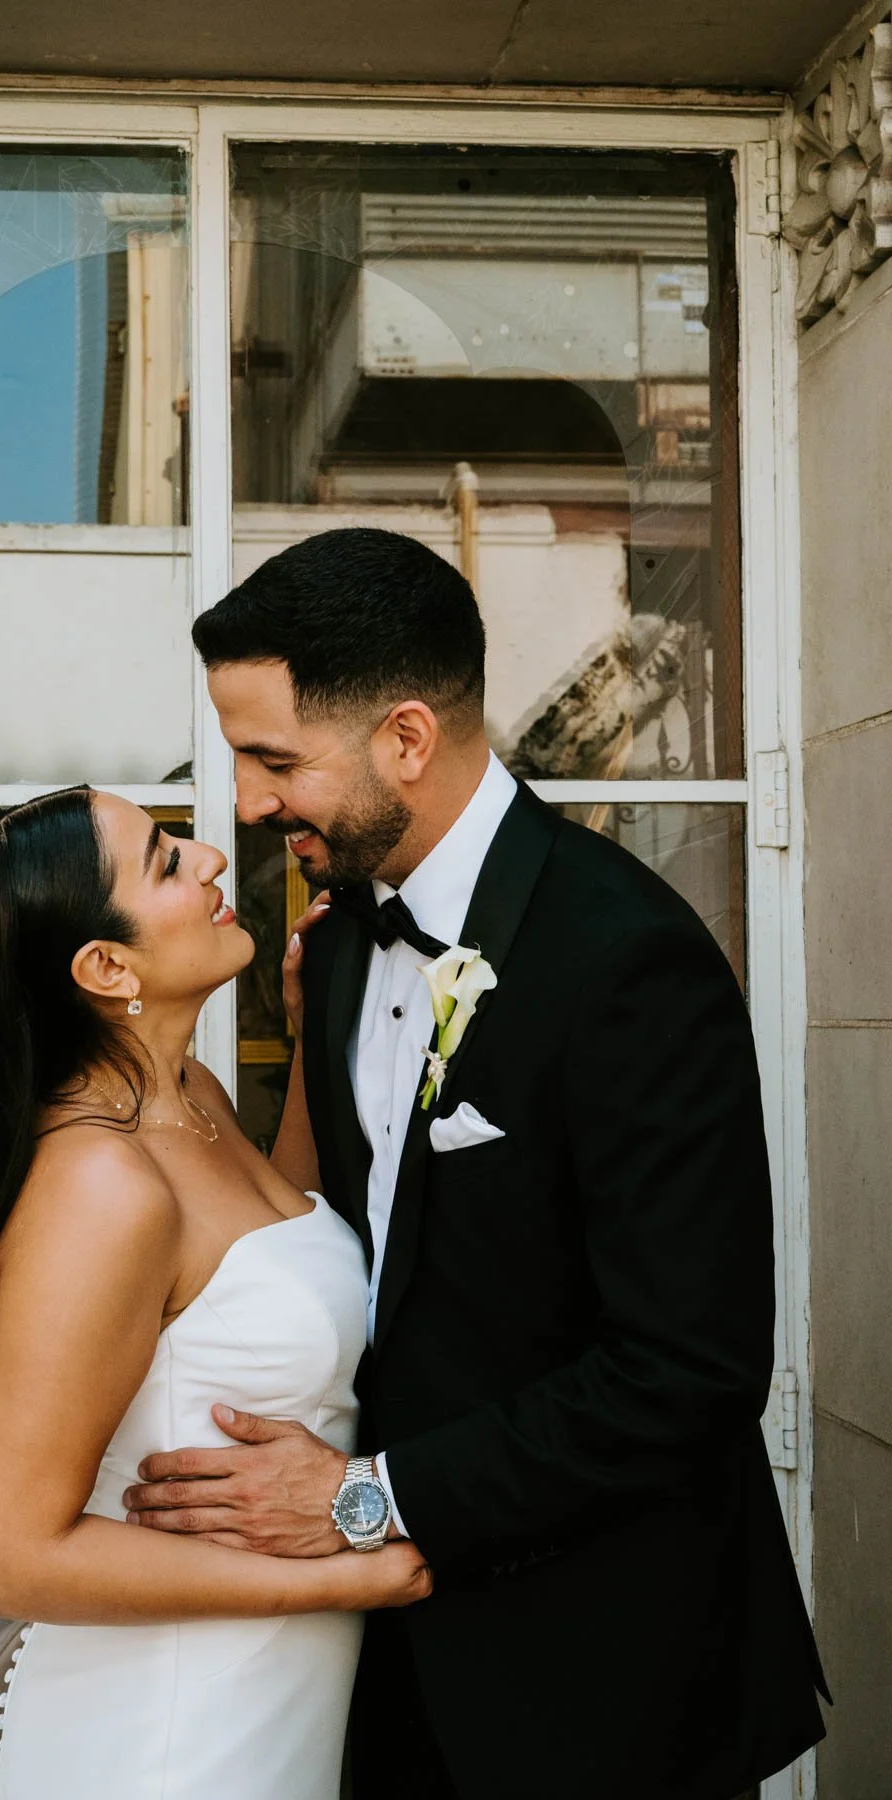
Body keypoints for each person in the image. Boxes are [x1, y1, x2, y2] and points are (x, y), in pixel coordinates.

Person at [123, 526, 830, 1800]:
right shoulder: (334, 946)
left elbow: (688, 1370)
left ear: (406, 738)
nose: (247, 799)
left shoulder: (627, 959)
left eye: (273, 758)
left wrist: (359, 1502)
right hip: (376, 1679)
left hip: (600, 1683)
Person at [0, 784, 430, 1800]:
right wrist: (347, 1570)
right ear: (105, 967)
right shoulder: (98, 1186)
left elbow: (276, 1236)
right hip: (165, 1743)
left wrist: (310, 1039)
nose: (214, 858)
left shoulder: (190, 1102)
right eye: (167, 862)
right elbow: (3, 1559)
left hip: (263, 1708)